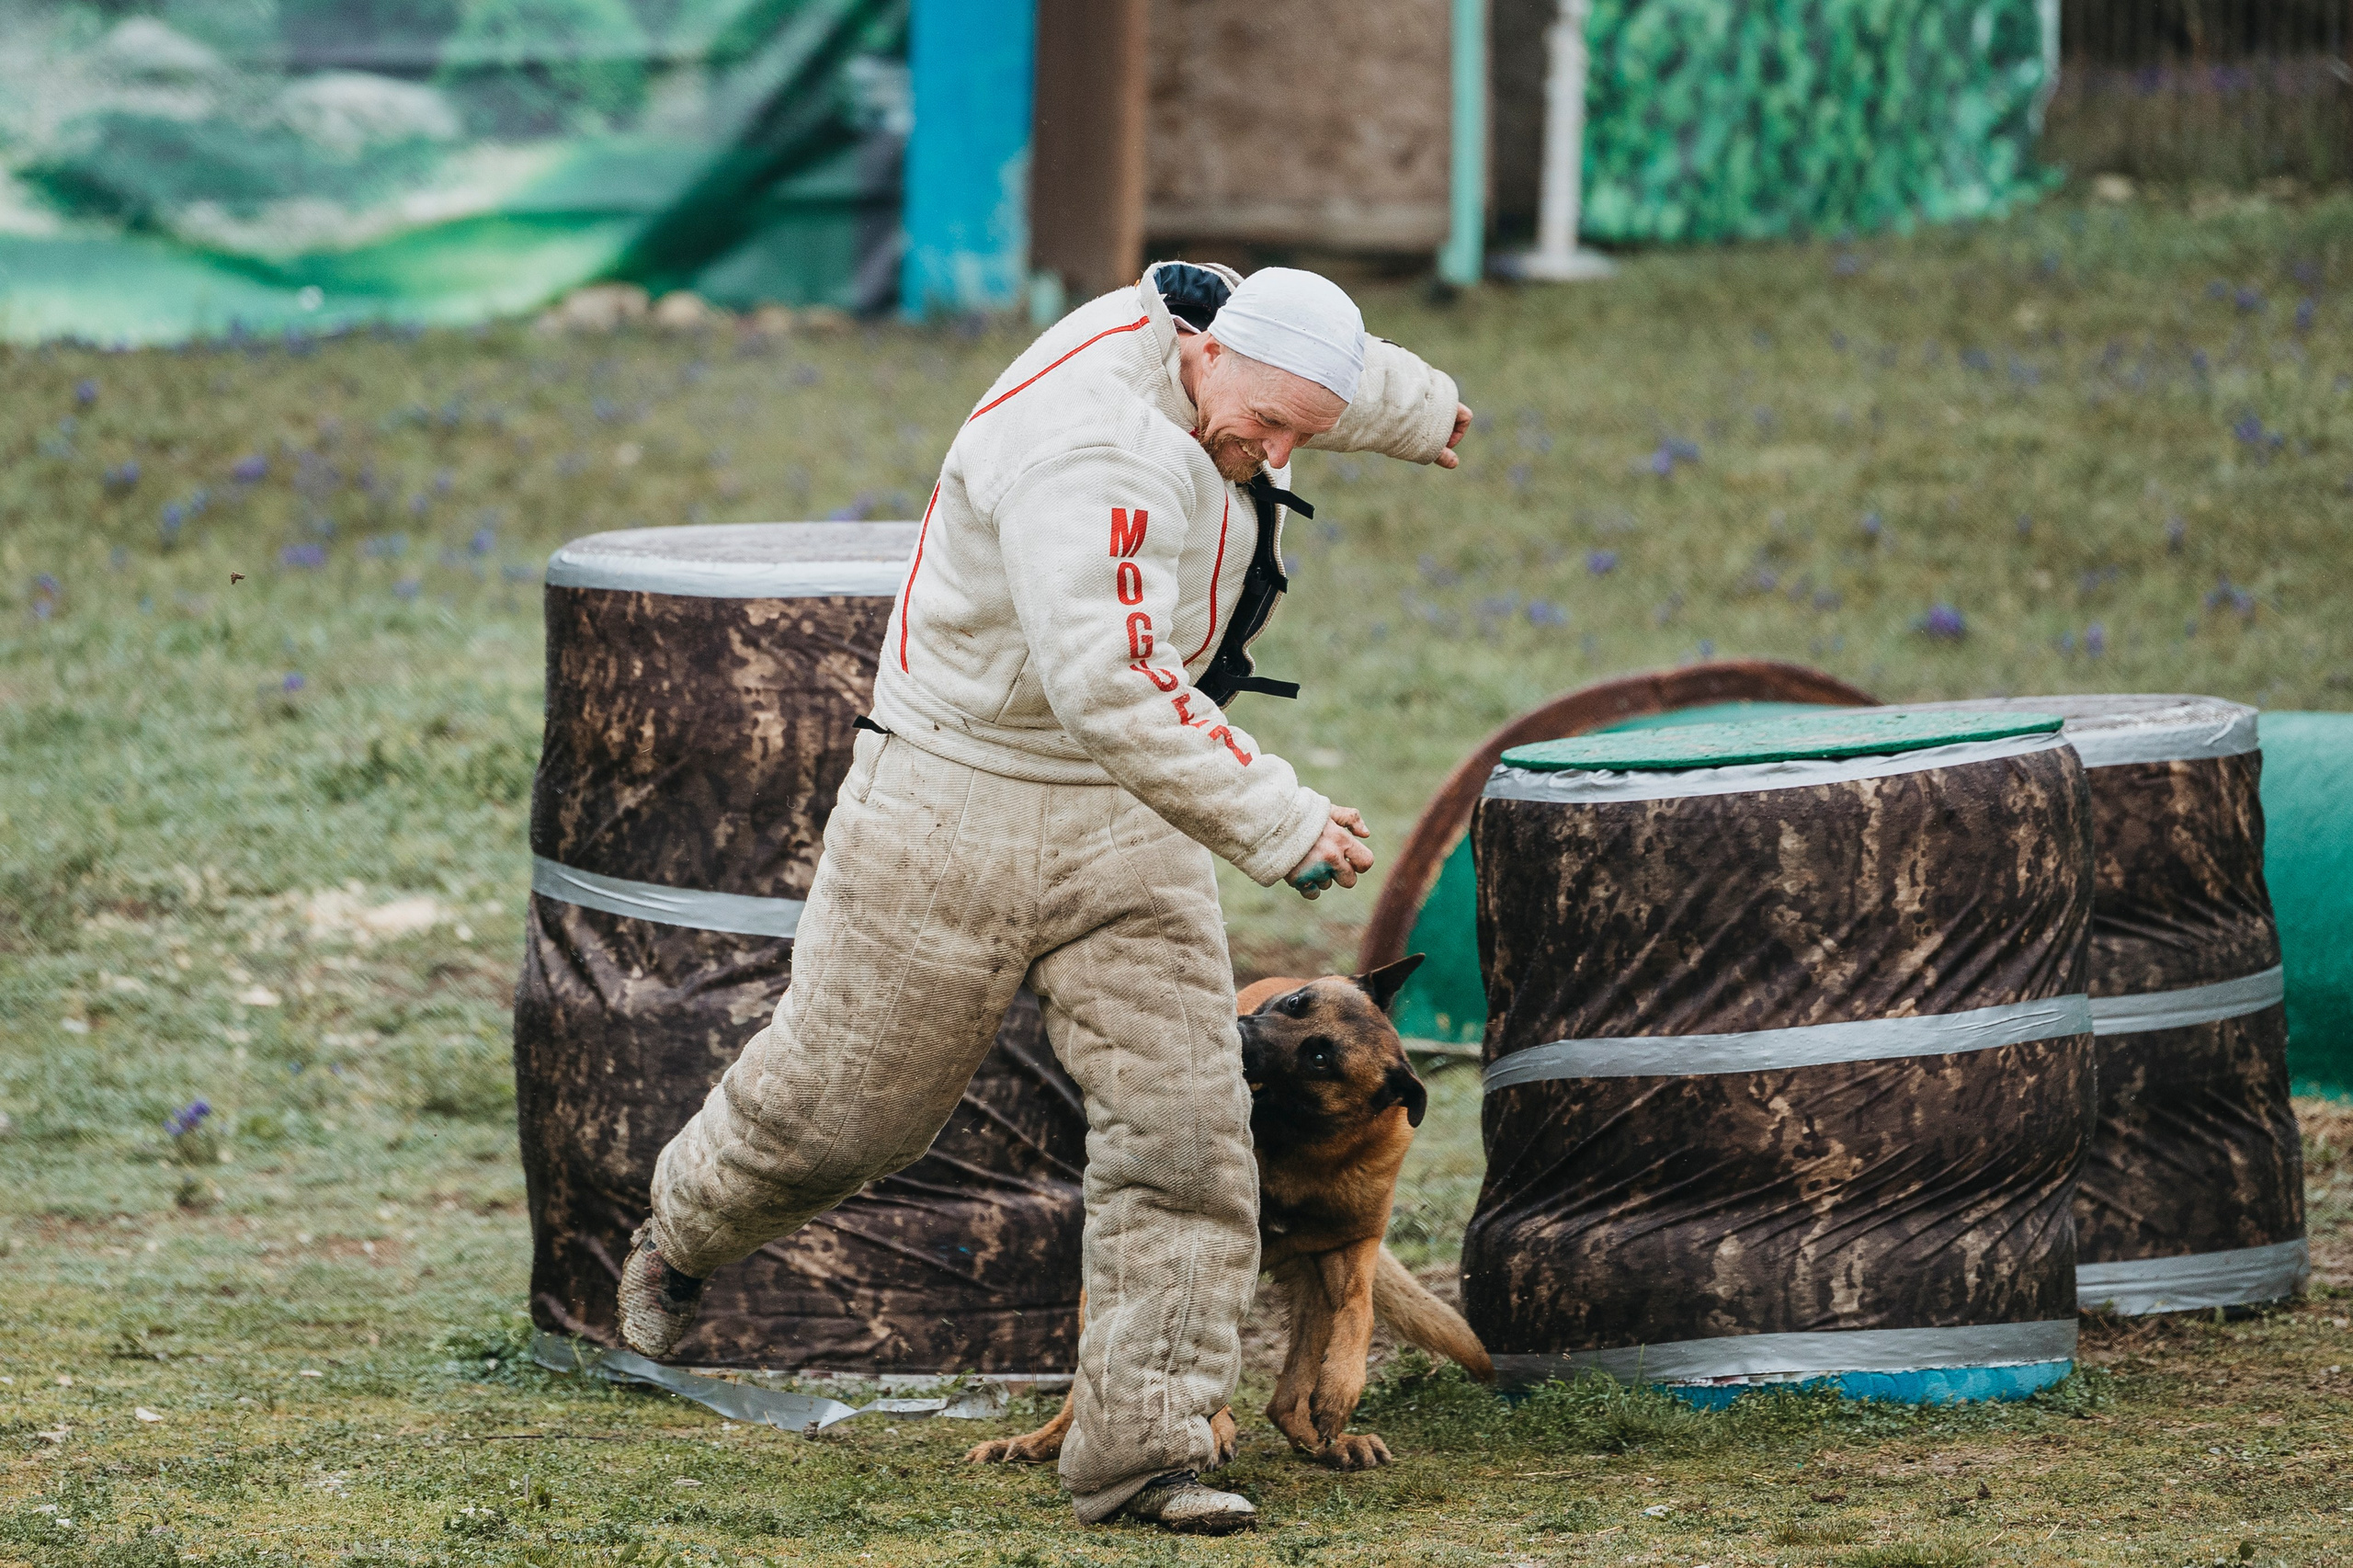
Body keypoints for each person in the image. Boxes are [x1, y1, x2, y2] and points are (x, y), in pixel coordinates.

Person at [618, 261, 1470, 1534]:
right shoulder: (1089, 450)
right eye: (1271, 425)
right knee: (842, 1118)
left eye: (1308, 434)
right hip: (957, 802)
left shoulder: (1224, 341)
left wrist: (1424, 407)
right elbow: (1115, 682)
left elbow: (1316, 366)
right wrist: (1279, 817)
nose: (1280, 454)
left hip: (1130, 817)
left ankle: (1146, 1454)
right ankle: (682, 1232)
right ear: (1206, 358)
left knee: (1189, 1134)